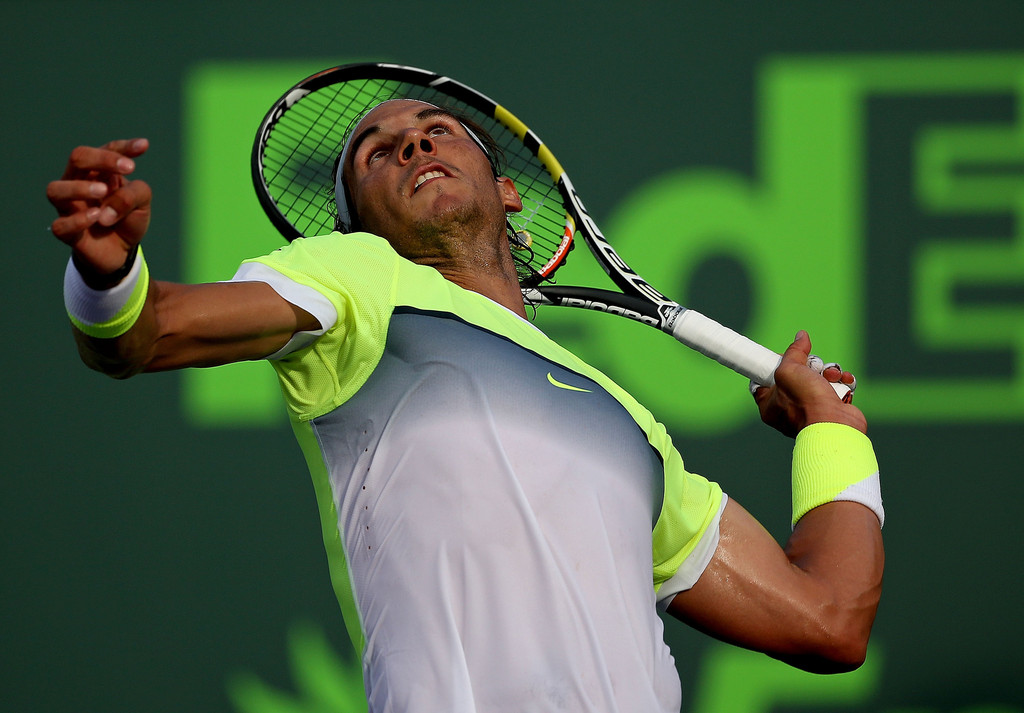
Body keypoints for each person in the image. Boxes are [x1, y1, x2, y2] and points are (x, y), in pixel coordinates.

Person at [48, 99, 884, 713]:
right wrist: (108, 276)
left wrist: (832, 434)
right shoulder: (358, 281)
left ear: (510, 190)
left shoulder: (629, 429)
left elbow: (829, 621)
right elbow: (148, 336)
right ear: (355, 229)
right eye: (374, 154)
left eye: (436, 129)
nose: (410, 139)